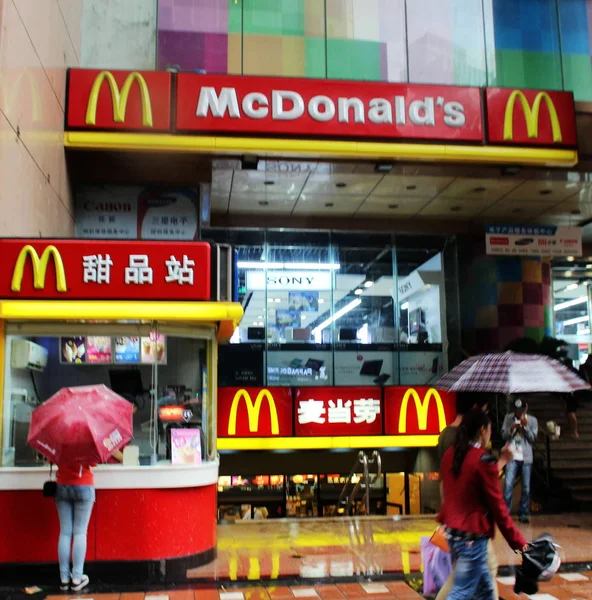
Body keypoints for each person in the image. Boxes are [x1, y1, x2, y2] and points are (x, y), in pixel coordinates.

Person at [439, 408, 528, 599]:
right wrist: (519, 543)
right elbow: (499, 508)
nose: (490, 434)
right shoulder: (483, 459)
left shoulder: (451, 454)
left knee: (486, 590)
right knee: (461, 591)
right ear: (482, 430)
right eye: (489, 429)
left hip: (453, 534)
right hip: (472, 538)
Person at [55, 463, 96, 591]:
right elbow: (93, 462)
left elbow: (53, 457)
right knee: (80, 533)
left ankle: (64, 579)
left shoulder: (60, 442)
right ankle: (77, 579)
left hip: (62, 485)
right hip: (84, 484)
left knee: (65, 532)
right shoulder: (88, 443)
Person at [502, 397, 538, 523]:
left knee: (526, 487)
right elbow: (503, 435)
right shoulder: (508, 418)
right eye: (517, 411)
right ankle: (505, 512)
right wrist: (511, 428)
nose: (519, 413)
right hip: (512, 455)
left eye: (521, 410)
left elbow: (533, 438)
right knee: (508, 484)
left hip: (526, 457)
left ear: (526, 408)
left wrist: (526, 427)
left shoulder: (532, 420)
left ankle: (523, 512)